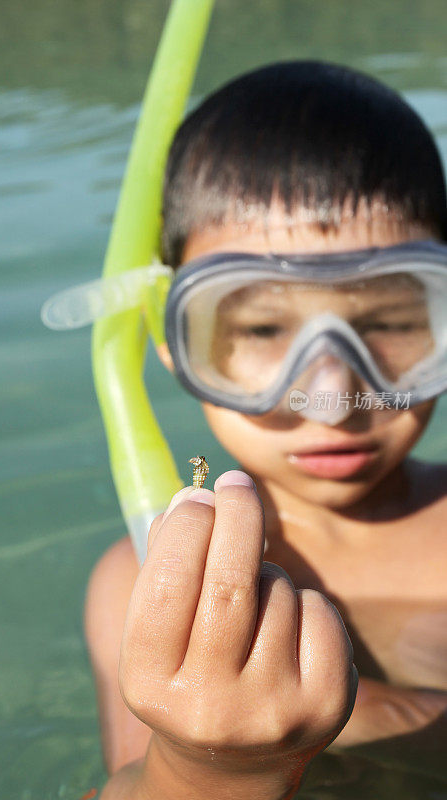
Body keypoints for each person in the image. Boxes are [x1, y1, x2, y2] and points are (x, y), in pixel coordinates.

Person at [84, 61, 447, 799]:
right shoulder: (143, 583)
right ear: (171, 344)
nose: (329, 400)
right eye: (258, 328)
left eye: (385, 323)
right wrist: (207, 767)